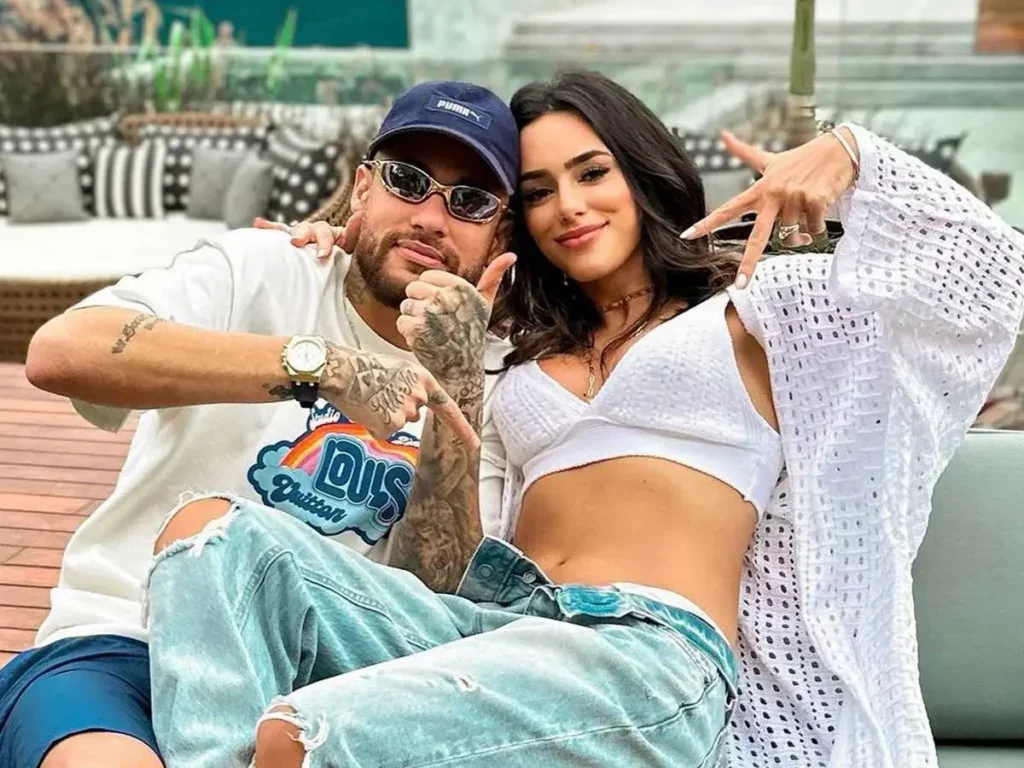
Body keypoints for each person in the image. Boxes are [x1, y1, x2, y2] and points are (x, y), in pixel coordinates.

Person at [148, 70, 1024, 768]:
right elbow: (438, 575)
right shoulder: (508, 354)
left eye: (592, 172)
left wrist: (849, 154)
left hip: (648, 660)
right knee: (212, 535)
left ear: (640, 173)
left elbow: (991, 285)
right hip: (501, 630)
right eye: (537, 191)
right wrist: (336, 256)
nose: (568, 205)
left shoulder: (757, 308)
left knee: (305, 734)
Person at [0, 80, 519, 768]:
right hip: (130, 642)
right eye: (407, 180)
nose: (430, 216)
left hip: (325, 689)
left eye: (470, 200)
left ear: (499, 233)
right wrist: (323, 366)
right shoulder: (266, 269)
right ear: (363, 188)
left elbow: (435, 603)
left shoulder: (496, 375)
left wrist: (456, 383)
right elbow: (62, 351)